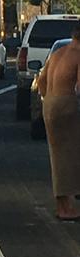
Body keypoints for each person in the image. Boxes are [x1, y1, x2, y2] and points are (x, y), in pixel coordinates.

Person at [38, 22, 80, 221]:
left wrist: (48, 99)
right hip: (66, 103)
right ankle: (67, 208)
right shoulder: (78, 54)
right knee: (70, 155)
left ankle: (62, 204)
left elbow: (41, 81)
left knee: (58, 155)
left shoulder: (57, 53)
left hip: (50, 103)